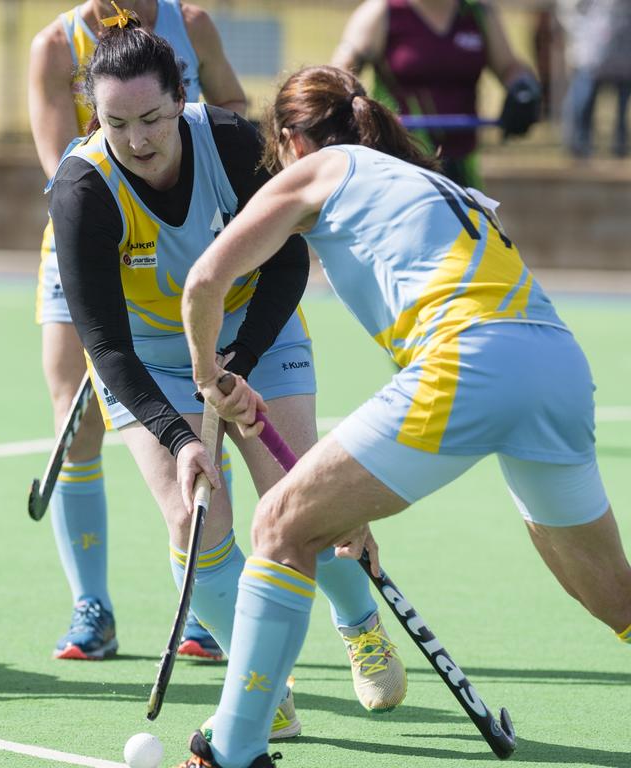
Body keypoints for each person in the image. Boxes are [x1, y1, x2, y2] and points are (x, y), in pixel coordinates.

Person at [176, 64, 631, 768]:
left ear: (293, 141)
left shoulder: (319, 168)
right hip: (555, 365)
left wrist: (210, 376)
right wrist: (343, 498)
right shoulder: (435, 184)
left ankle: (231, 753)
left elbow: (206, 279)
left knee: (278, 524)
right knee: (613, 599)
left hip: (469, 363)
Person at [49, 20, 409, 740]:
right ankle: (263, 682)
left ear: (180, 99)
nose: (139, 139)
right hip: (152, 359)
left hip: (255, 331)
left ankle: (360, 622)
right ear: (96, 116)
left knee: (300, 497)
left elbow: (283, 265)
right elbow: (105, 345)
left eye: (152, 118)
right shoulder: (83, 189)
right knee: (192, 518)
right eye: (117, 123)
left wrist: (234, 366)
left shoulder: (234, 142)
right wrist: (181, 437)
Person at [28, 0, 246, 662]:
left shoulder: (194, 24)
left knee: (202, 405)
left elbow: (237, 105)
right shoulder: (55, 44)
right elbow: (57, 161)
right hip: (94, 231)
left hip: (186, 226)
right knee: (77, 416)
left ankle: (201, 604)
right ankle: (91, 607)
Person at [332, 0, 541, 188]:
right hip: (398, 166)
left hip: (462, 169)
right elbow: (340, 73)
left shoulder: (478, 15)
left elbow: (509, 67)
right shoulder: (382, 12)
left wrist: (523, 87)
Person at [557, 0, 631, 158]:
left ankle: (620, 147)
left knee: (622, 107)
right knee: (584, 101)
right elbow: (570, 11)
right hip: (590, 54)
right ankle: (579, 145)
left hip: (623, 53)